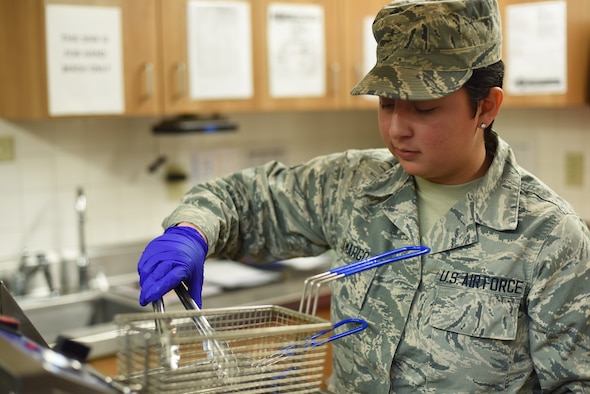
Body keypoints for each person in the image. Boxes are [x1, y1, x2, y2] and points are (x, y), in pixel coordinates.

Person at [137, 0, 590, 392]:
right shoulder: (353, 185)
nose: (397, 128)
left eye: (424, 108)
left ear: (486, 107)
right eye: (387, 104)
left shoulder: (550, 237)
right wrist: (191, 232)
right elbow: (244, 200)